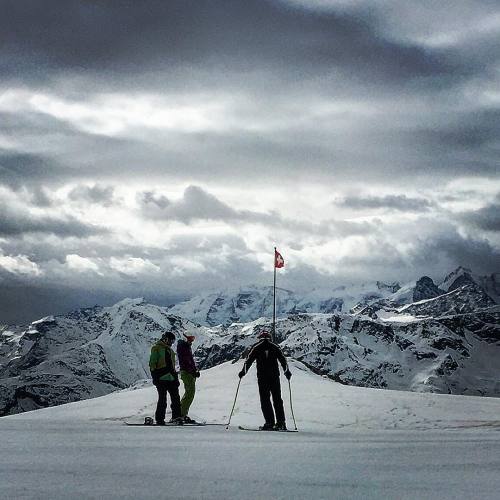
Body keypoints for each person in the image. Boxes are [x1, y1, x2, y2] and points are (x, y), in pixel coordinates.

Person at [238, 331, 292, 431]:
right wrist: (287, 372)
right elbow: (283, 360)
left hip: (263, 378)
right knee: (277, 400)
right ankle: (281, 423)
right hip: (274, 377)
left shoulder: (257, 347)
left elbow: (248, 361)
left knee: (265, 400)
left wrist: (243, 372)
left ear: (260, 338)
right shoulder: (275, 347)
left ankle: (269, 423)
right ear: (269, 338)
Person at [149, 331, 183, 425]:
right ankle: (160, 419)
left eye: (173, 341)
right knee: (162, 399)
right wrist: (155, 376)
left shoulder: (171, 351)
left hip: (171, 378)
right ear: (166, 339)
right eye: (171, 340)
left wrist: (175, 378)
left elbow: (172, 366)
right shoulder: (156, 348)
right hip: (161, 378)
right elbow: (152, 363)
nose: (172, 343)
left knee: (176, 398)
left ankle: (176, 417)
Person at [177, 333, 201, 423]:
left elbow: (189, 361)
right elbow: (187, 361)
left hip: (188, 372)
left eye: (193, 339)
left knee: (189, 393)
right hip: (187, 373)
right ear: (185, 338)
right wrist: (193, 371)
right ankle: (181, 415)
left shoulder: (185, 347)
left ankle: (182, 414)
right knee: (190, 393)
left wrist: (194, 371)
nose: (191, 341)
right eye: (190, 339)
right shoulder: (183, 347)